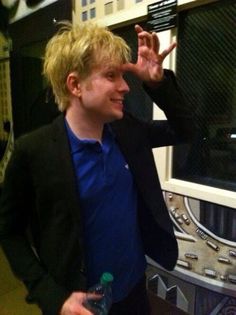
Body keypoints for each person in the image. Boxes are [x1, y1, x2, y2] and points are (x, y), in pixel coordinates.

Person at [0, 21, 195, 315]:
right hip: (80, 304)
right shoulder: (34, 152)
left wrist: (157, 83)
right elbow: (9, 232)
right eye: (111, 75)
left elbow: (188, 131)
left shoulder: (126, 131)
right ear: (75, 85)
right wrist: (52, 296)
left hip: (133, 291)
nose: (126, 86)